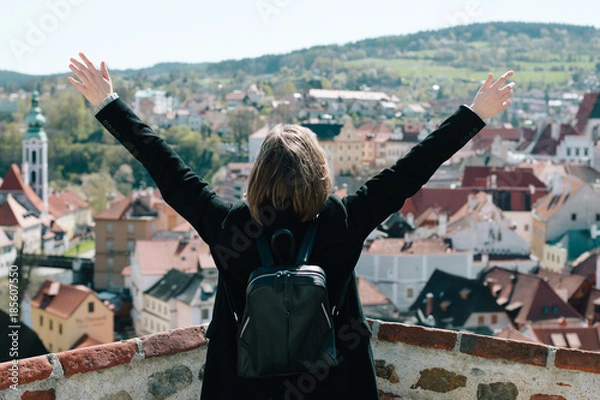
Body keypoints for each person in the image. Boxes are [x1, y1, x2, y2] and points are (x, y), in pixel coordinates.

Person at [68, 52, 515, 399]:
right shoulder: (341, 219)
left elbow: (166, 166)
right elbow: (413, 168)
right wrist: (474, 114)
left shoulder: (229, 224)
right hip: (332, 384)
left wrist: (109, 104)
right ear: (319, 170)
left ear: (259, 172)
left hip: (243, 387)